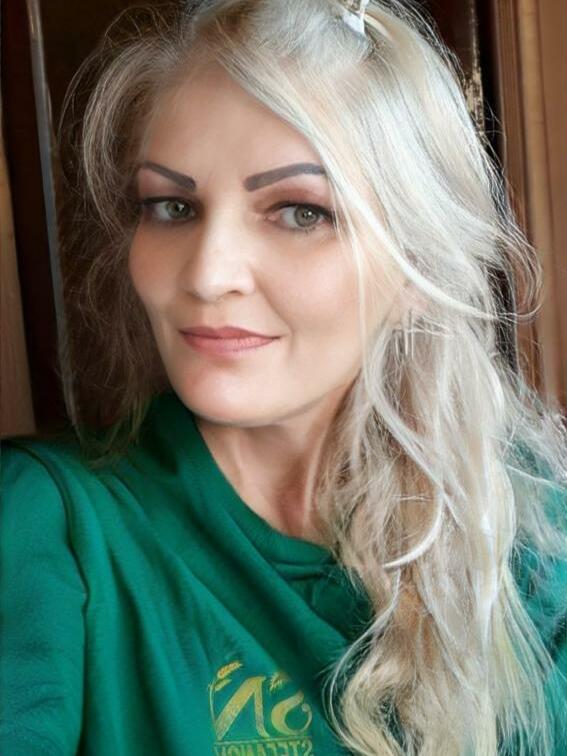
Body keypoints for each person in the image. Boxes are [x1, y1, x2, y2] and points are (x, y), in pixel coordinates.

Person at [1, 0, 566, 753]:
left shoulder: (534, 534)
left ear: (416, 267)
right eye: (173, 206)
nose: (208, 275)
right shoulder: (50, 528)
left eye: (300, 213)